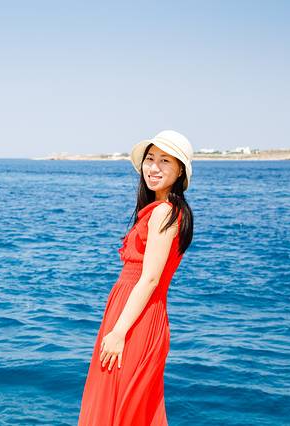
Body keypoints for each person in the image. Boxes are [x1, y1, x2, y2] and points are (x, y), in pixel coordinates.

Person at [78, 130, 194, 425]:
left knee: (120, 399)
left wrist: (119, 332)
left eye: (165, 161)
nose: (154, 167)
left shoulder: (164, 212)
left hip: (137, 317)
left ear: (180, 170)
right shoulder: (159, 211)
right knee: (124, 400)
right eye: (150, 159)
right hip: (135, 311)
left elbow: (151, 278)